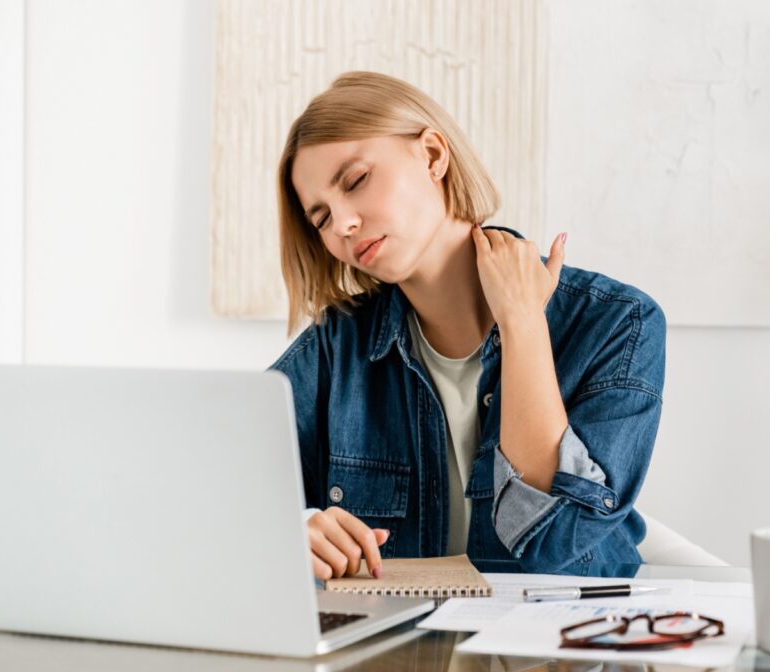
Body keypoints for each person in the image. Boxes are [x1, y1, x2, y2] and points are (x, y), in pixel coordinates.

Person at [269, 71, 666, 580]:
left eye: (356, 180)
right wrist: (295, 529)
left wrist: (522, 321)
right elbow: (213, 489)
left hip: (564, 651)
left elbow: (548, 540)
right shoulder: (335, 347)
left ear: (433, 155)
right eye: (321, 218)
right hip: (399, 655)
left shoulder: (617, 324)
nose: (343, 223)